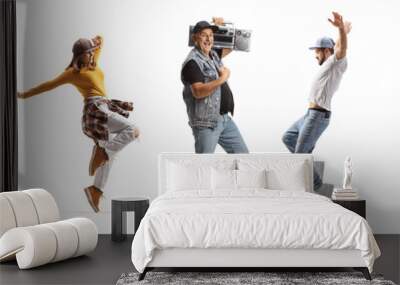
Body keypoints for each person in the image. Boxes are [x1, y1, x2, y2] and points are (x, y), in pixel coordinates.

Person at [17, 36, 139, 212]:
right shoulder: (72, 74)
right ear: (78, 55)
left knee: (112, 152)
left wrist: (97, 41)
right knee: (132, 129)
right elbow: (48, 85)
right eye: (87, 53)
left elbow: (100, 42)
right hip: (95, 109)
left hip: (105, 106)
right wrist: (23, 95)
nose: (90, 56)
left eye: (91, 53)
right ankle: (102, 152)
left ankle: (95, 190)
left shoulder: (93, 62)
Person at [282, 12, 351, 189]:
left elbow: (341, 50)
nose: (315, 55)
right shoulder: (329, 64)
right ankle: (309, 163)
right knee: (288, 137)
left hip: (318, 116)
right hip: (309, 114)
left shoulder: (337, 64)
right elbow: (338, 45)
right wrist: (343, 32)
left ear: (327, 51)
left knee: (299, 157)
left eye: (317, 51)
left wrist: (342, 29)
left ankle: (316, 184)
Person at [181, 17, 249, 153]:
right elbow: (198, 92)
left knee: (243, 157)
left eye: (211, 35)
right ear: (195, 38)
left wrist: (223, 26)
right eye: (204, 35)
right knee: (204, 165)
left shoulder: (212, 54)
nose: (208, 39)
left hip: (225, 120)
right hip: (206, 124)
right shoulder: (192, 62)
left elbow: (231, 46)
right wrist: (222, 78)